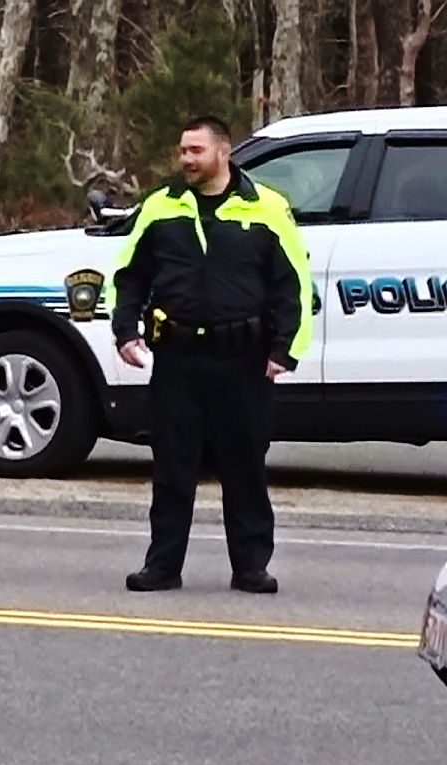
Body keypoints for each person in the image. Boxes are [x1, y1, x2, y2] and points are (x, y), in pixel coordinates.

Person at [111, 115, 312, 595]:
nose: (186, 159)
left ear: (223, 153)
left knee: (244, 467)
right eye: (183, 151)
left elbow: (295, 285)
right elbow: (129, 274)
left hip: (243, 362)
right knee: (172, 468)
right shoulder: (161, 207)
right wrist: (124, 329)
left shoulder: (266, 208)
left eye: (196, 151)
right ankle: (162, 566)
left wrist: (286, 348)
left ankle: (250, 567)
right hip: (178, 360)